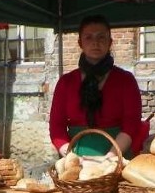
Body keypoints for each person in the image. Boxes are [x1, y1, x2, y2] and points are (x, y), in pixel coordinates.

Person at [49, 14, 147, 158]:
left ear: (110, 42)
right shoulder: (66, 82)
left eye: (101, 37)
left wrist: (111, 157)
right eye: (89, 37)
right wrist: (70, 156)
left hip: (117, 152)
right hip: (74, 153)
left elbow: (131, 124)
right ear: (80, 43)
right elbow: (57, 126)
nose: (95, 43)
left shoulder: (125, 80)